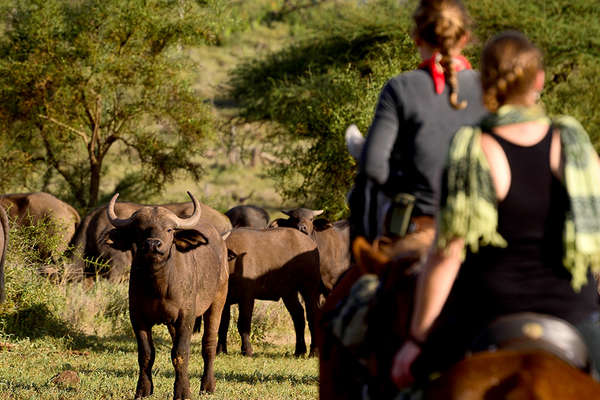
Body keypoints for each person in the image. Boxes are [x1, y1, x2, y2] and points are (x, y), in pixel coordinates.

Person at [391, 30, 600, 388]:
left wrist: (416, 340)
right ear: (540, 79)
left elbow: (447, 254)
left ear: (484, 81)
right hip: (573, 312)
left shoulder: (472, 150)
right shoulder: (575, 146)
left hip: (484, 313)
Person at [348, 0, 488, 261]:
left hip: (419, 228)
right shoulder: (491, 88)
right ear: (466, 38)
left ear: (416, 37)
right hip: (485, 230)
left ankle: (361, 270)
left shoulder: (400, 88)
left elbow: (373, 169)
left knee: (354, 295)